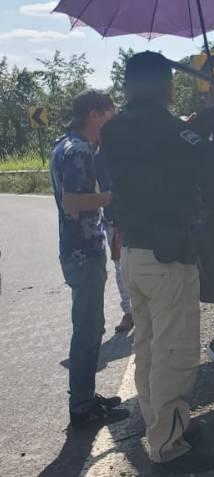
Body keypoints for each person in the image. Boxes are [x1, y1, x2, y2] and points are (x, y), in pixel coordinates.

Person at [99, 51, 214, 473]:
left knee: (149, 350)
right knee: (175, 358)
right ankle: (168, 446)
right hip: (169, 260)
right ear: (166, 86)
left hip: (133, 256)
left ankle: (157, 425)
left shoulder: (114, 129)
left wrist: (199, 123)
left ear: (127, 86)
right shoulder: (170, 130)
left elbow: (159, 152)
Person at [49, 89, 127, 427]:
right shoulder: (78, 151)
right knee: (87, 329)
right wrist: (116, 196)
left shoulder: (66, 144)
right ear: (95, 114)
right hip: (83, 251)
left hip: (78, 248)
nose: (113, 121)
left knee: (91, 326)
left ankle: (86, 395)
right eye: (110, 114)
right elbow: (73, 202)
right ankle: (82, 407)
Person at [93, 153, 133, 333]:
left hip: (139, 220)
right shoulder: (97, 158)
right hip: (113, 222)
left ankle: (145, 311)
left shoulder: (135, 148)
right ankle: (129, 312)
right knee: (120, 269)